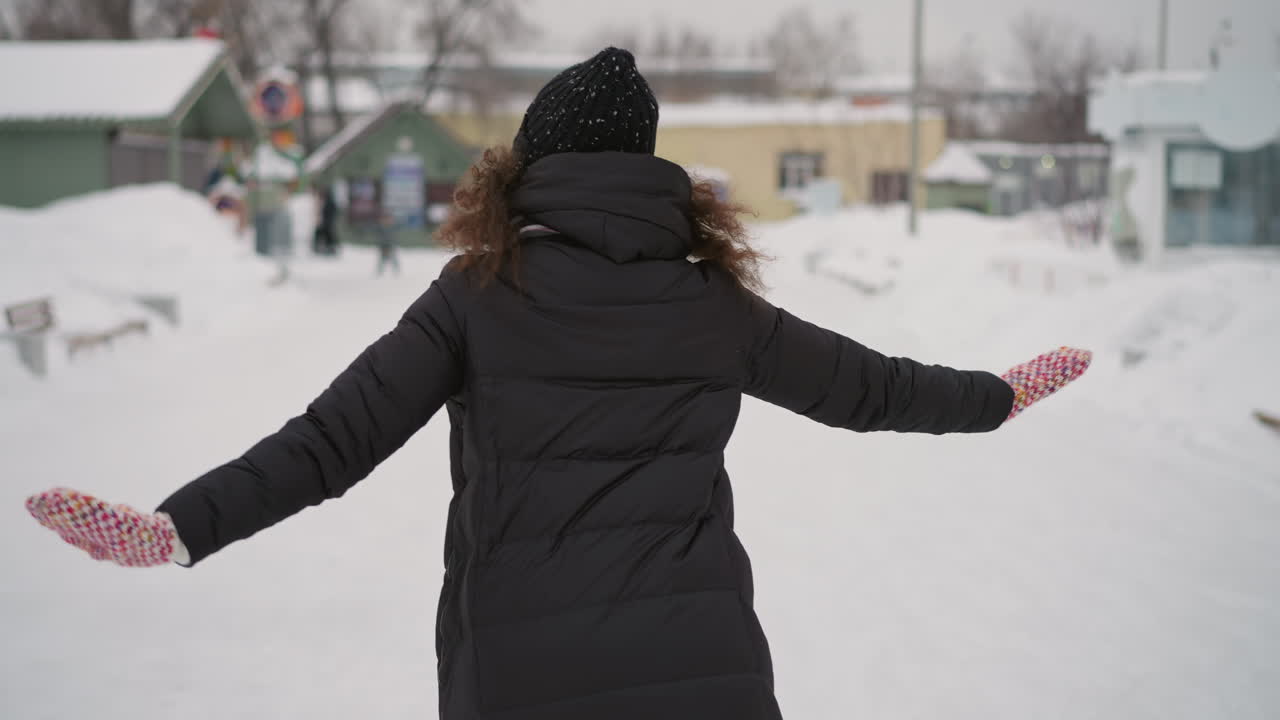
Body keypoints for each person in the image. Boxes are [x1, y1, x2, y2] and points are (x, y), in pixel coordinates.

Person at [25, 48, 1091, 720]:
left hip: (523, 679)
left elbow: (328, 441)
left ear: (525, 166)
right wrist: (995, 397)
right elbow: (875, 389)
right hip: (706, 672)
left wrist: (176, 528)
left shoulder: (475, 294)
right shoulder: (714, 303)